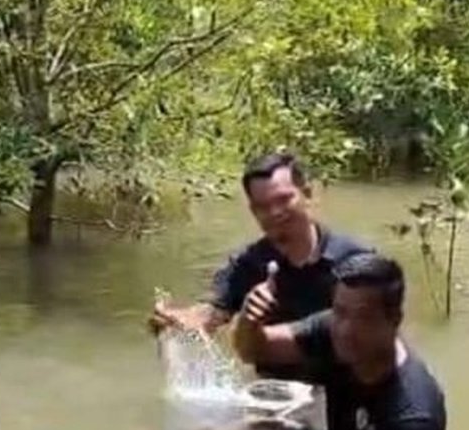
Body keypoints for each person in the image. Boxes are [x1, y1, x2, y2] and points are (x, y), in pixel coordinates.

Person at [232, 251, 446, 430]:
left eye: (364, 318)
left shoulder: (410, 420)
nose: (346, 330)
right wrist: (249, 318)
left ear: (394, 320)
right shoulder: (332, 331)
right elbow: (255, 351)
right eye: (340, 312)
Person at [150, 152, 371, 380]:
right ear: (254, 211)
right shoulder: (248, 264)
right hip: (274, 395)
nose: (275, 213)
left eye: (283, 200)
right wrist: (177, 320)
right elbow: (211, 314)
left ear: (307, 194)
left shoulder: (356, 262)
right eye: (263, 206)